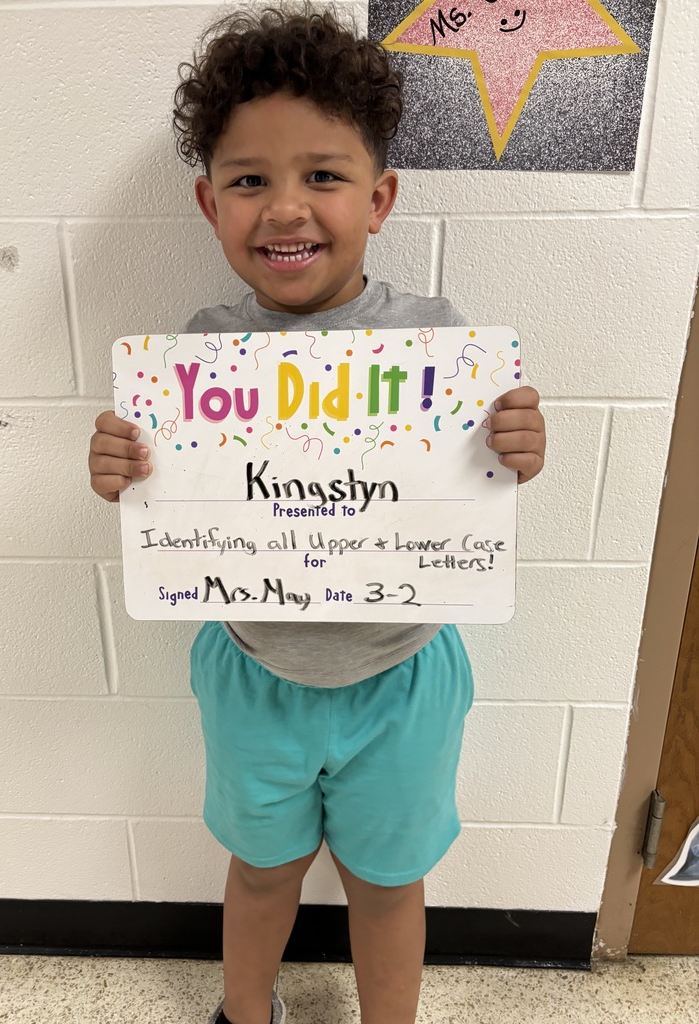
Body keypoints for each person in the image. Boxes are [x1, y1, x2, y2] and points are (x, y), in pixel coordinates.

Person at [88, 5, 546, 1023]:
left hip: (404, 672)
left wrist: (519, 450)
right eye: (250, 180)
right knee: (261, 870)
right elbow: (166, 500)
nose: (285, 209)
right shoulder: (193, 356)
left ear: (379, 198)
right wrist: (122, 466)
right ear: (209, 205)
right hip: (255, 669)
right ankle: (244, 1012)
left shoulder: (439, 342)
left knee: (388, 885)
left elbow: (476, 490)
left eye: (323, 177)